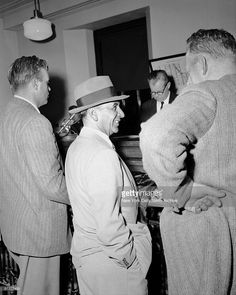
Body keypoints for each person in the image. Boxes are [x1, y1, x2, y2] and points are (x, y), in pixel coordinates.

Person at [139, 28, 236, 295]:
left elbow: (155, 137)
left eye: (188, 71)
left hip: (205, 226)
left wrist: (181, 190)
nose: (189, 79)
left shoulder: (207, 92)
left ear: (201, 63)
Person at [65, 75, 152, 295]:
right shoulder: (102, 154)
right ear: (93, 113)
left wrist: (178, 196)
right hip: (113, 265)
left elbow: (121, 196)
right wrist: (130, 260)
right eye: (114, 107)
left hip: (90, 260)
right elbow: (108, 224)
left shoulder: (77, 148)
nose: (121, 113)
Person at [0, 55, 71, 295]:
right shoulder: (36, 122)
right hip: (39, 232)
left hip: (16, 226)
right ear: (36, 84)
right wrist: (84, 196)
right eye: (48, 82)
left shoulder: (7, 114)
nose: (50, 88)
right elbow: (52, 186)